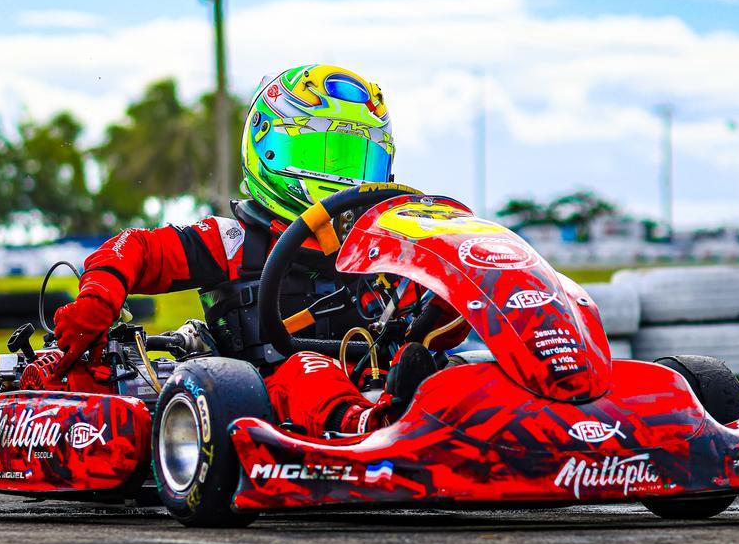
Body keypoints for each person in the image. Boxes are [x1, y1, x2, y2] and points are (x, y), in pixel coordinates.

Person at [51, 64, 462, 436]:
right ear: (268, 149)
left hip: (380, 383)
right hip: (259, 400)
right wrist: (98, 298)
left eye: (356, 161)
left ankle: (460, 428)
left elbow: (438, 325)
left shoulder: (381, 252)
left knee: (464, 369)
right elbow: (133, 248)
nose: (338, 178)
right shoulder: (231, 241)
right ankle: (367, 427)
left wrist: (449, 302)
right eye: (316, 154)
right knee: (311, 370)